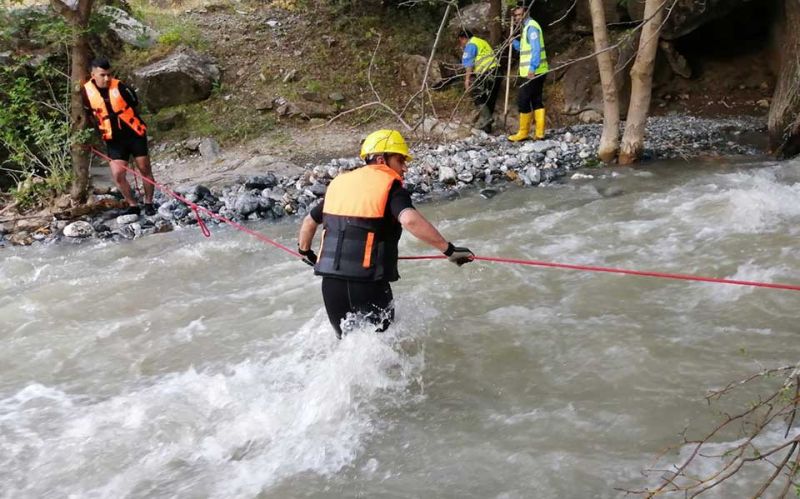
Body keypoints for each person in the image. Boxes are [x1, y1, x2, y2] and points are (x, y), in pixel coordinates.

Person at [297, 129, 475, 339]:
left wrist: (306, 253)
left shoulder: (339, 185)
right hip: (369, 284)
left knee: (345, 346)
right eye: (400, 160)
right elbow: (409, 219)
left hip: (330, 284)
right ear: (382, 159)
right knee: (383, 346)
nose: (404, 168)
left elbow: (309, 222)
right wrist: (449, 250)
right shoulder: (391, 188)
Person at [83, 58, 156, 216]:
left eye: (109, 74)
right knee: (118, 174)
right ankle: (133, 204)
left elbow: (134, 104)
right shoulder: (86, 92)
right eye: (103, 75)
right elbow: (88, 116)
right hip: (114, 140)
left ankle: (149, 202)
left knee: (144, 169)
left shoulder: (121, 86)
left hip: (134, 134)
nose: (107, 78)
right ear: (93, 75)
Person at [508, 2, 549, 142]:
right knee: (536, 100)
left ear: (527, 12)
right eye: (516, 15)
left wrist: (532, 67)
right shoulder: (527, 28)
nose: (518, 17)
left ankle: (523, 132)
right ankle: (539, 133)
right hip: (539, 70)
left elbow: (536, 49)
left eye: (520, 14)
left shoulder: (531, 27)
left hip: (534, 71)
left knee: (523, 100)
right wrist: (514, 43)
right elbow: (526, 49)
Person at [458, 29, 500, 133]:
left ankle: (487, 119)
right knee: (489, 99)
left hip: (486, 72)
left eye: (460, 41)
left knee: (477, 94)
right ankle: (487, 129)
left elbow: (469, 63)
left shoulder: (470, 44)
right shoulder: (482, 41)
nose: (461, 44)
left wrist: (467, 80)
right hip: (497, 72)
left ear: (463, 38)